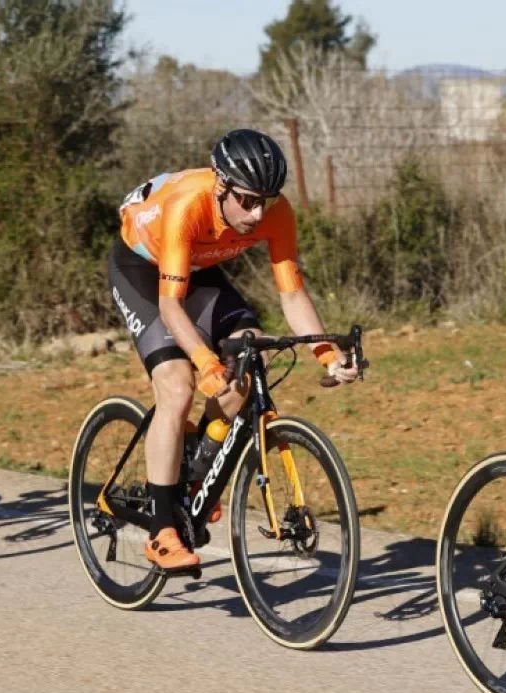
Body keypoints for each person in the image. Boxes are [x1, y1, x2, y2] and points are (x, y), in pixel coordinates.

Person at [109, 128, 359, 570]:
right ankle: (162, 529)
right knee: (178, 385)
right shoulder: (189, 204)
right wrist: (204, 361)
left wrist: (327, 354)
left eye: (266, 199)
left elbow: (292, 295)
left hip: (200, 270)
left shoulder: (275, 213)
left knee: (255, 355)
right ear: (222, 186)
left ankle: (196, 471)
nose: (258, 212)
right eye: (247, 200)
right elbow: (170, 305)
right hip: (144, 270)